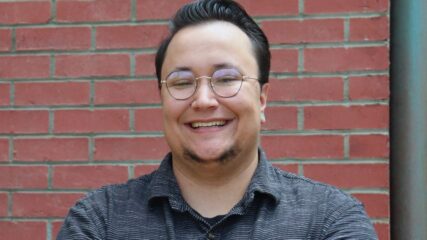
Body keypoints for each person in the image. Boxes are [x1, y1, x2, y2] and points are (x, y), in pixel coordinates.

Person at [57, 0, 378, 239]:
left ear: (262, 98)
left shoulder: (329, 220)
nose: (204, 100)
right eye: (182, 82)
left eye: (226, 78)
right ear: (162, 98)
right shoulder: (99, 221)